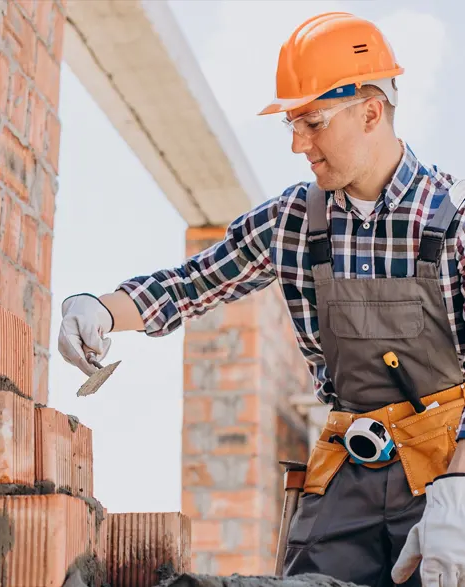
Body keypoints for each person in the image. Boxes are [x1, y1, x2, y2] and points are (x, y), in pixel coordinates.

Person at [58, 11, 465, 587]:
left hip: (448, 476)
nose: (298, 143)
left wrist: (459, 494)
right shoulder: (295, 221)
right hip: (348, 475)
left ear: (371, 111)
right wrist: (100, 307)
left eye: (313, 122)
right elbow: (191, 283)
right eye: (291, 125)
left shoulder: (453, 220)